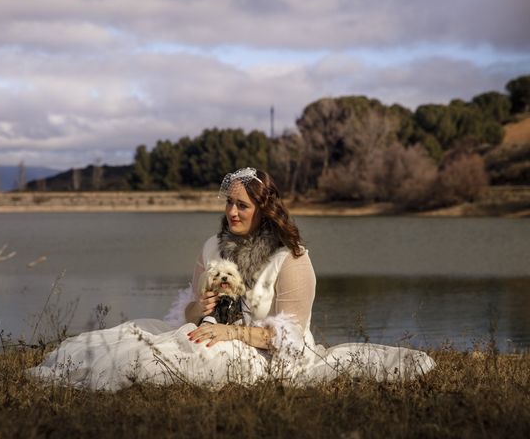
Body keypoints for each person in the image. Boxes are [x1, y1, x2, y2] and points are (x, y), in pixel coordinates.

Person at [28, 167, 435, 391]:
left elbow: (289, 338)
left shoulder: (290, 256)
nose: (232, 213)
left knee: (187, 360)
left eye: (241, 205)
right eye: (229, 203)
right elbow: (183, 310)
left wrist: (230, 335)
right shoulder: (212, 247)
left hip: (266, 354)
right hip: (209, 333)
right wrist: (199, 309)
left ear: (263, 208)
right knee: (135, 339)